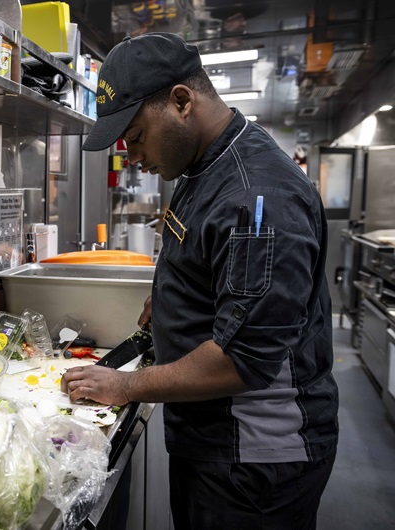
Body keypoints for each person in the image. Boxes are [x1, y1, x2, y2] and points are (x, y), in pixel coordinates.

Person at [61, 33, 338, 529]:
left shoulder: (257, 198)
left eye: (136, 135)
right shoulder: (201, 168)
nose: (131, 154)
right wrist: (168, 300)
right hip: (212, 436)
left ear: (181, 102)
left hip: (252, 458)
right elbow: (210, 266)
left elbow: (242, 360)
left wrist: (126, 385)